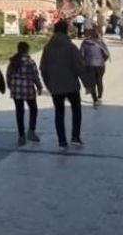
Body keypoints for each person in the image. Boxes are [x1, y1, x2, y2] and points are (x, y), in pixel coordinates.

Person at [40, 20, 87, 150]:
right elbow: (79, 67)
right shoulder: (70, 47)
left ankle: (61, 141)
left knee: (59, 112)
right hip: (72, 85)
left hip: (55, 86)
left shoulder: (47, 48)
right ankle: (75, 137)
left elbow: (43, 68)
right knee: (76, 110)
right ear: (66, 30)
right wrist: (87, 83)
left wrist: (48, 84)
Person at [6, 41, 42, 146]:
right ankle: (31, 131)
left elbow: (8, 75)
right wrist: (39, 87)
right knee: (33, 109)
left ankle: (21, 136)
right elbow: (35, 76)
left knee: (19, 112)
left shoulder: (13, 61)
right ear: (27, 49)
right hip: (28, 89)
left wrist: (10, 85)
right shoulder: (30, 62)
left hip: (16, 89)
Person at [79, 28, 110, 106]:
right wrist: (102, 60)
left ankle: (95, 99)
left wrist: (84, 61)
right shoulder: (100, 42)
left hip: (89, 64)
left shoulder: (85, 43)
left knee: (92, 82)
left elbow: (81, 54)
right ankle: (99, 97)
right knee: (99, 80)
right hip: (100, 65)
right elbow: (106, 54)